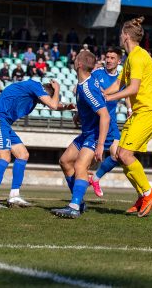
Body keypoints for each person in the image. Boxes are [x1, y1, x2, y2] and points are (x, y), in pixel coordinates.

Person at [0, 78, 72, 209]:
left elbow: (55, 105)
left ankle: (14, 195)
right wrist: (58, 89)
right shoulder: (35, 86)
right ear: (45, 92)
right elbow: (53, 105)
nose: (43, 105)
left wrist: (67, 107)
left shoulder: (33, 93)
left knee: (23, 154)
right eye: (46, 98)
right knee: (4, 156)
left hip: (3, 122)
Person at [103, 16, 152, 217]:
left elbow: (133, 88)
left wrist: (109, 97)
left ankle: (149, 193)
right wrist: (97, 93)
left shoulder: (138, 57)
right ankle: (141, 196)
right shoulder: (130, 59)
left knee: (126, 155)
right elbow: (116, 85)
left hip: (149, 111)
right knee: (120, 155)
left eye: (121, 34)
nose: (120, 37)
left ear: (126, 36)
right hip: (139, 112)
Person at [53, 50, 110, 218]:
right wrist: (80, 115)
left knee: (80, 166)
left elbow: (105, 116)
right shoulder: (82, 84)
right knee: (64, 161)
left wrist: (100, 145)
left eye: (76, 58)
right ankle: (78, 202)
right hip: (87, 132)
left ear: (78, 65)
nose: (73, 59)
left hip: (94, 135)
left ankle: (75, 206)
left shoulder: (87, 88)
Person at [88, 47, 130, 198]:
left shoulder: (122, 78)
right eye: (107, 57)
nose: (109, 60)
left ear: (119, 61)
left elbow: (126, 94)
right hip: (95, 121)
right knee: (89, 159)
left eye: (113, 58)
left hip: (111, 122)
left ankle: (96, 179)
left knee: (117, 155)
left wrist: (129, 109)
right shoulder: (96, 74)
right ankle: (79, 185)